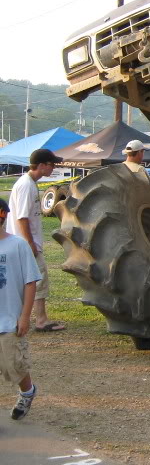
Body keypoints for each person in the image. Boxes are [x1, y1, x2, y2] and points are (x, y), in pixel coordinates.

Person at [6, 148, 65, 332]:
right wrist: (30, 244)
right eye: (51, 164)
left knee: (31, 281)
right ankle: (40, 320)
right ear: (41, 165)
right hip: (26, 244)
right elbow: (22, 218)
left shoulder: (30, 183)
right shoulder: (26, 185)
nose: (53, 167)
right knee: (38, 279)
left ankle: (37, 318)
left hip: (25, 243)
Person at [0, 197, 41, 420]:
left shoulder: (17, 245)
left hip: (9, 319)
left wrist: (25, 316)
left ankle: (27, 392)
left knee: (15, 365)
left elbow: (30, 281)